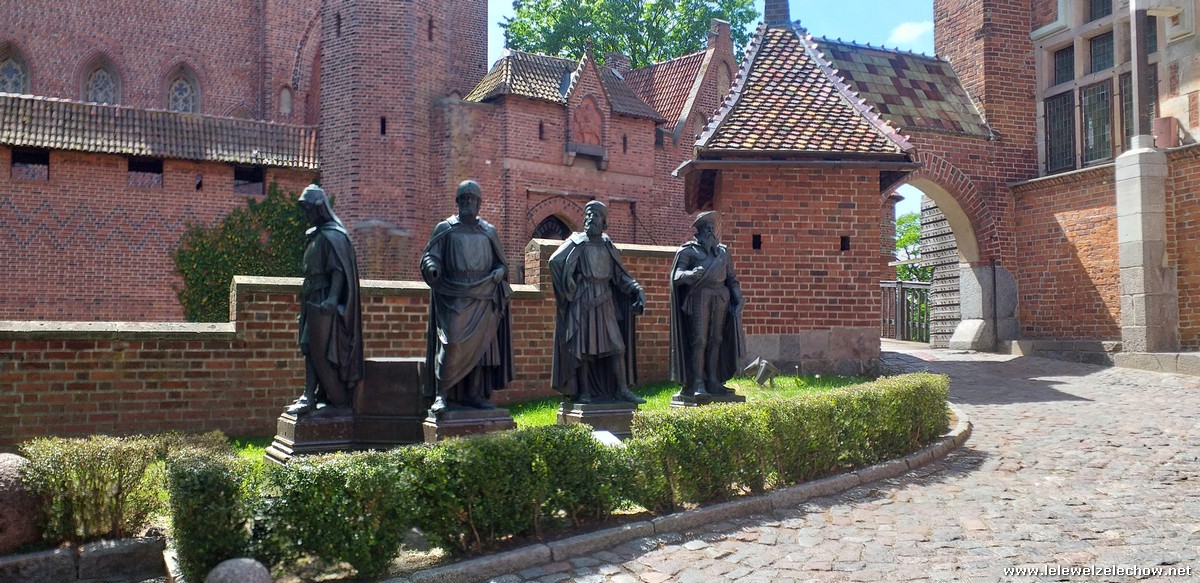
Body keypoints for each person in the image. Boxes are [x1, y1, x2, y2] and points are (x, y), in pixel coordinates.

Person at [420, 180, 514, 412]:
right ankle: (441, 394)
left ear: (479, 203)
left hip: (483, 294)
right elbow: (431, 256)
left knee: (482, 348)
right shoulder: (446, 228)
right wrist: (432, 267)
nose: (468, 203)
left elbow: (502, 264)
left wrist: (499, 272)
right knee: (451, 343)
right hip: (454, 294)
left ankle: (474, 393)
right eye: (464, 199)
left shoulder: (488, 231)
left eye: (472, 199)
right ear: (458, 202)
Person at [549, 200, 646, 404]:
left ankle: (621, 390)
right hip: (583, 300)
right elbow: (555, 262)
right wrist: (568, 288)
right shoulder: (577, 241)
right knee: (584, 348)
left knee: (617, 347)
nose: (590, 219)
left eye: (596, 215)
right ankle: (584, 391)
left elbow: (620, 276)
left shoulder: (607, 244)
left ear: (604, 221)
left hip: (605, 300)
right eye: (588, 215)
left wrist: (636, 288)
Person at [286, 184, 364, 415]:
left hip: (323, 300)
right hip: (311, 297)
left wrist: (332, 299)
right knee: (308, 346)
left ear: (319, 208)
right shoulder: (317, 235)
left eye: (309, 209)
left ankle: (319, 397)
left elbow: (338, 270)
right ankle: (313, 395)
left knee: (319, 348)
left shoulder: (333, 235)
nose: (306, 214)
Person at [670, 211, 744, 396]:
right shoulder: (688, 251)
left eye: (712, 228)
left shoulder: (723, 253)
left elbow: (731, 279)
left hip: (721, 296)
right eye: (707, 229)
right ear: (699, 232)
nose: (710, 232)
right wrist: (690, 274)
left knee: (716, 339)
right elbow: (676, 275)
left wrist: (738, 297)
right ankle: (697, 383)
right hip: (699, 296)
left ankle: (713, 380)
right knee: (700, 340)